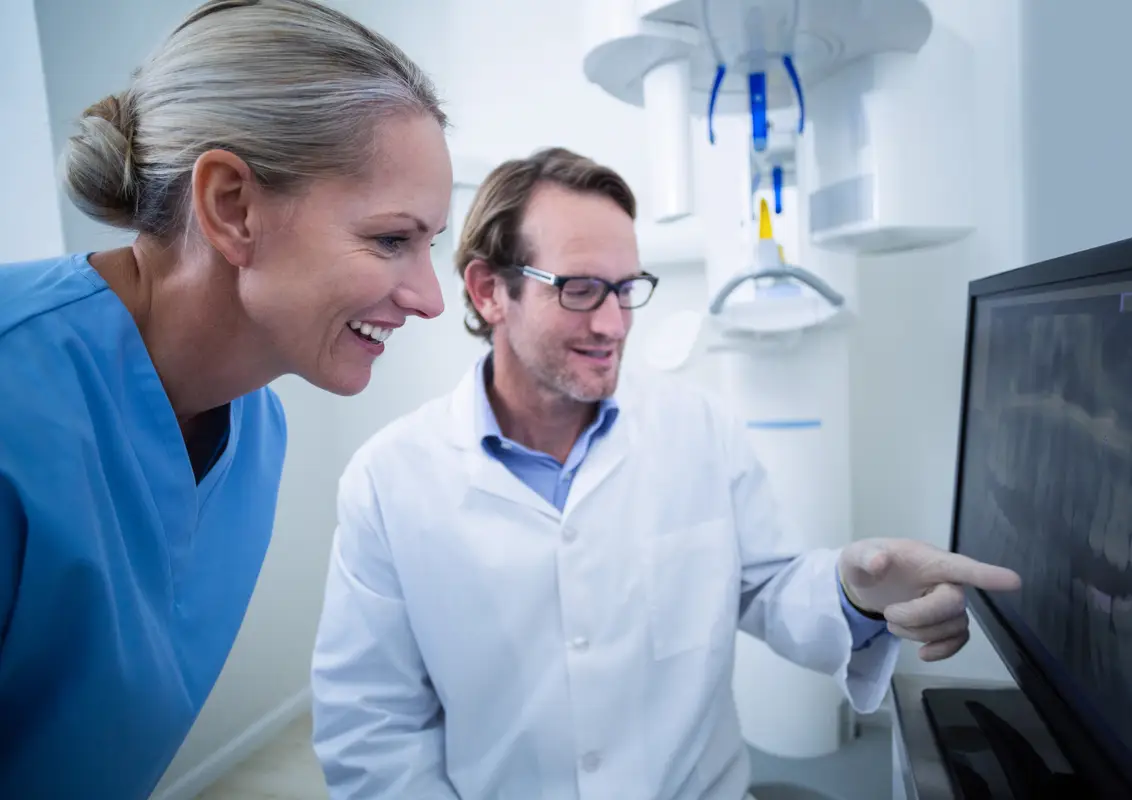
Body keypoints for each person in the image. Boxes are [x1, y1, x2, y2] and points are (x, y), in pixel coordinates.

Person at [310, 147, 1021, 799]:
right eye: (582, 289)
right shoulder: (389, 480)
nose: (615, 324)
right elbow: (372, 727)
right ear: (490, 291)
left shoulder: (698, 430)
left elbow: (770, 585)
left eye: (627, 288)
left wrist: (855, 594)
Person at [0, 1, 452, 797]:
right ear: (232, 208)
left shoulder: (255, 427)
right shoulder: (14, 390)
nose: (429, 298)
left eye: (429, 245)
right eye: (391, 240)